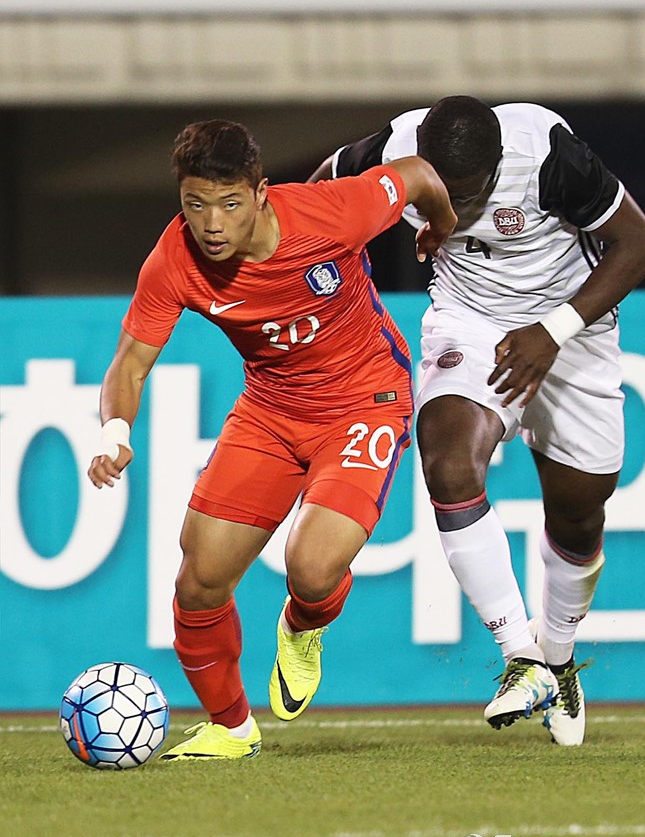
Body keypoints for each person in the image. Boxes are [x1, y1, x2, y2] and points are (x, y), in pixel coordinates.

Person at [87, 119, 457, 760]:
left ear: (260, 194)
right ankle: (231, 728)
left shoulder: (331, 212)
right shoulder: (175, 258)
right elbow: (130, 364)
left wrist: (441, 226)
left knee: (311, 570)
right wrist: (115, 431)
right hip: (270, 410)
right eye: (195, 204)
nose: (212, 225)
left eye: (229, 204)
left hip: (365, 399)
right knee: (199, 581)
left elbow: (420, 175)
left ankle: (303, 625)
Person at [310, 96, 645, 746]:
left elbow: (639, 245)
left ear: (498, 164)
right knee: (448, 464)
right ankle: (520, 657)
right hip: (469, 319)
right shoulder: (391, 150)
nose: (454, 205)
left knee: (580, 513)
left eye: (468, 194)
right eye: (442, 190)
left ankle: (558, 658)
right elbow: (313, 203)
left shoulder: (549, 155)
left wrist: (551, 332)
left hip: (572, 325)